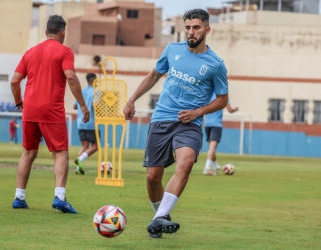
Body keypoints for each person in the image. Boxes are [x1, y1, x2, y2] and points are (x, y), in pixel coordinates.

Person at [123, 9, 229, 238]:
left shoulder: (216, 64)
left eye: (197, 27)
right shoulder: (172, 50)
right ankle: (160, 217)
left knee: (187, 161)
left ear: (207, 30)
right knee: (153, 178)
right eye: (188, 27)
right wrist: (132, 100)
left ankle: (158, 218)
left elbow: (223, 100)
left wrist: (197, 112)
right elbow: (153, 76)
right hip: (161, 118)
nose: (191, 32)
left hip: (189, 124)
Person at [10, 15, 90, 213]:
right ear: (63, 32)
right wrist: (82, 105)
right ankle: (59, 198)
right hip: (51, 110)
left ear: (46, 32)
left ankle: (19, 197)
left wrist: (19, 102)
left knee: (28, 152)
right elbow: (70, 76)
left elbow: (14, 81)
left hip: (29, 109)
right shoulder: (65, 51)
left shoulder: (30, 52)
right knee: (60, 152)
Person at [203, 94, 239, 175]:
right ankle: (207, 168)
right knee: (212, 148)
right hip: (216, 125)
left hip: (207, 124)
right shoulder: (223, 95)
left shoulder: (207, 94)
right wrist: (235, 109)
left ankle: (216, 167)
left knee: (211, 149)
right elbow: (230, 110)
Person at [73, 73, 99, 175]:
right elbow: (95, 105)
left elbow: (75, 106)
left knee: (85, 146)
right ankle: (80, 159)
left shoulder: (81, 92)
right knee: (96, 146)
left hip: (80, 123)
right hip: (90, 123)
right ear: (94, 80)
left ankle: (78, 168)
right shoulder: (96, 92)